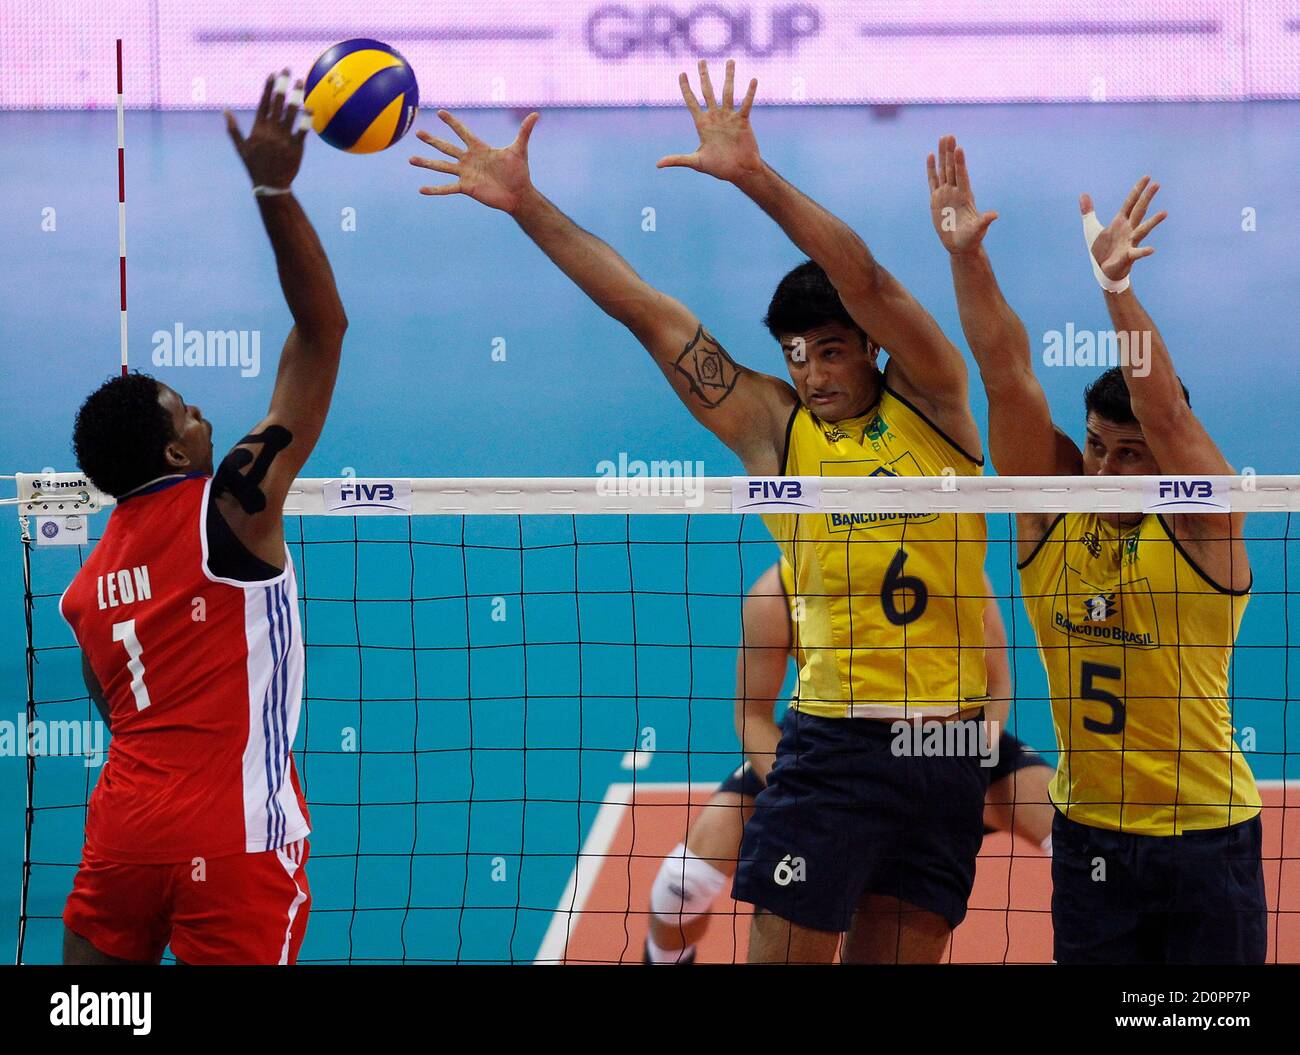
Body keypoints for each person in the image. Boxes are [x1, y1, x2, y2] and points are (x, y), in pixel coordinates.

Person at [410, 59, 998, 962]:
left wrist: (755, 177)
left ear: (871, 349)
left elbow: (872, 280)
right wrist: (527, 204)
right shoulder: (778, 429)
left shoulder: (935, 404)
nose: (812, 372)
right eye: (798, 355)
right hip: (833, 745)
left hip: (943, 748)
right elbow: (645, 312)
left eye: (832, 352)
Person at [928, 133, 1264, 963]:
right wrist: (967, 260)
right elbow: (1005, 376)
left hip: (1207, 840)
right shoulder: (1052, 514)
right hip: (1090, 843)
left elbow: (1174, 420)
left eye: (1131, 453)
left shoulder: (1201, 531)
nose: (1108, 469)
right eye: (1096, 447)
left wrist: (1116, 289)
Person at [59, 72, 347, 965]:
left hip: (123, 840)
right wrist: (274, 191)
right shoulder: (231, 504)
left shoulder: (85, 588)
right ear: (179, 453)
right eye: (185, 411)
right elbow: (322, 330)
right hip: (236, 839)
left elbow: (113, 708)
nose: (201, 416)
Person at [645, 564, 1053, 964]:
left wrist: (961, 761)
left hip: (947, 747)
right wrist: (812, 796)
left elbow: (996, 685)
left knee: (1074, 844)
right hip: (829, 755)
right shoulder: (779, 592)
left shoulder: (952, 566)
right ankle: (662, 956)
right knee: (683, 883)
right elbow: (751, 715)